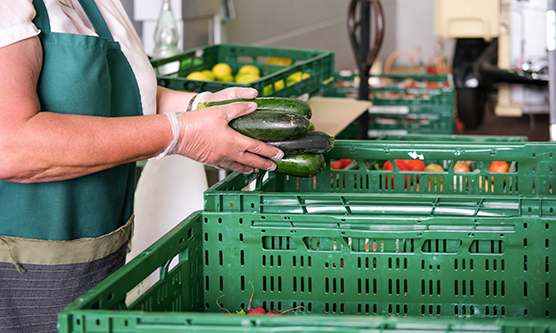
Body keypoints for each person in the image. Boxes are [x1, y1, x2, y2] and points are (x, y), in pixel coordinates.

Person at [0, 1, 283, 332]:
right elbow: (11, 145)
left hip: (101, 257)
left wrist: (199, 107)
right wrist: (181, 134)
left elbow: (120, 96)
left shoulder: (100, 4)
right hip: (22, 270)